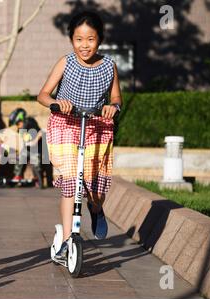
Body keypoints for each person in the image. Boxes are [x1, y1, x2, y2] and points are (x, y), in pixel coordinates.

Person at [37, 11, 122, 262]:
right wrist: (56, 103)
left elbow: (116, 98)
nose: (84, 45)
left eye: (90, 39)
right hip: (66, 125)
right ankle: (66, 241)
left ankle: (96, 209)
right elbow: (42, 95)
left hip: (97, 126)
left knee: (95, 189)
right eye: (78, 39)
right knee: (71, 183)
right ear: (71, 40)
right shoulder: (66, 62)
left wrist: (113, 107)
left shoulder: (109, 66)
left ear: (100, 39)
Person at [12, 116, 44, 188]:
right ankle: (17, 176)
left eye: (18, 124)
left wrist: (35, 141)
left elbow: (40, 132)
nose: (18, 127)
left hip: (36, 149)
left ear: (21, 122)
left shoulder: (30, 124)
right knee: (20, 158)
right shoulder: (21, 130)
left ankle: (37, 179)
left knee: (36, 165)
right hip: (26, 149)